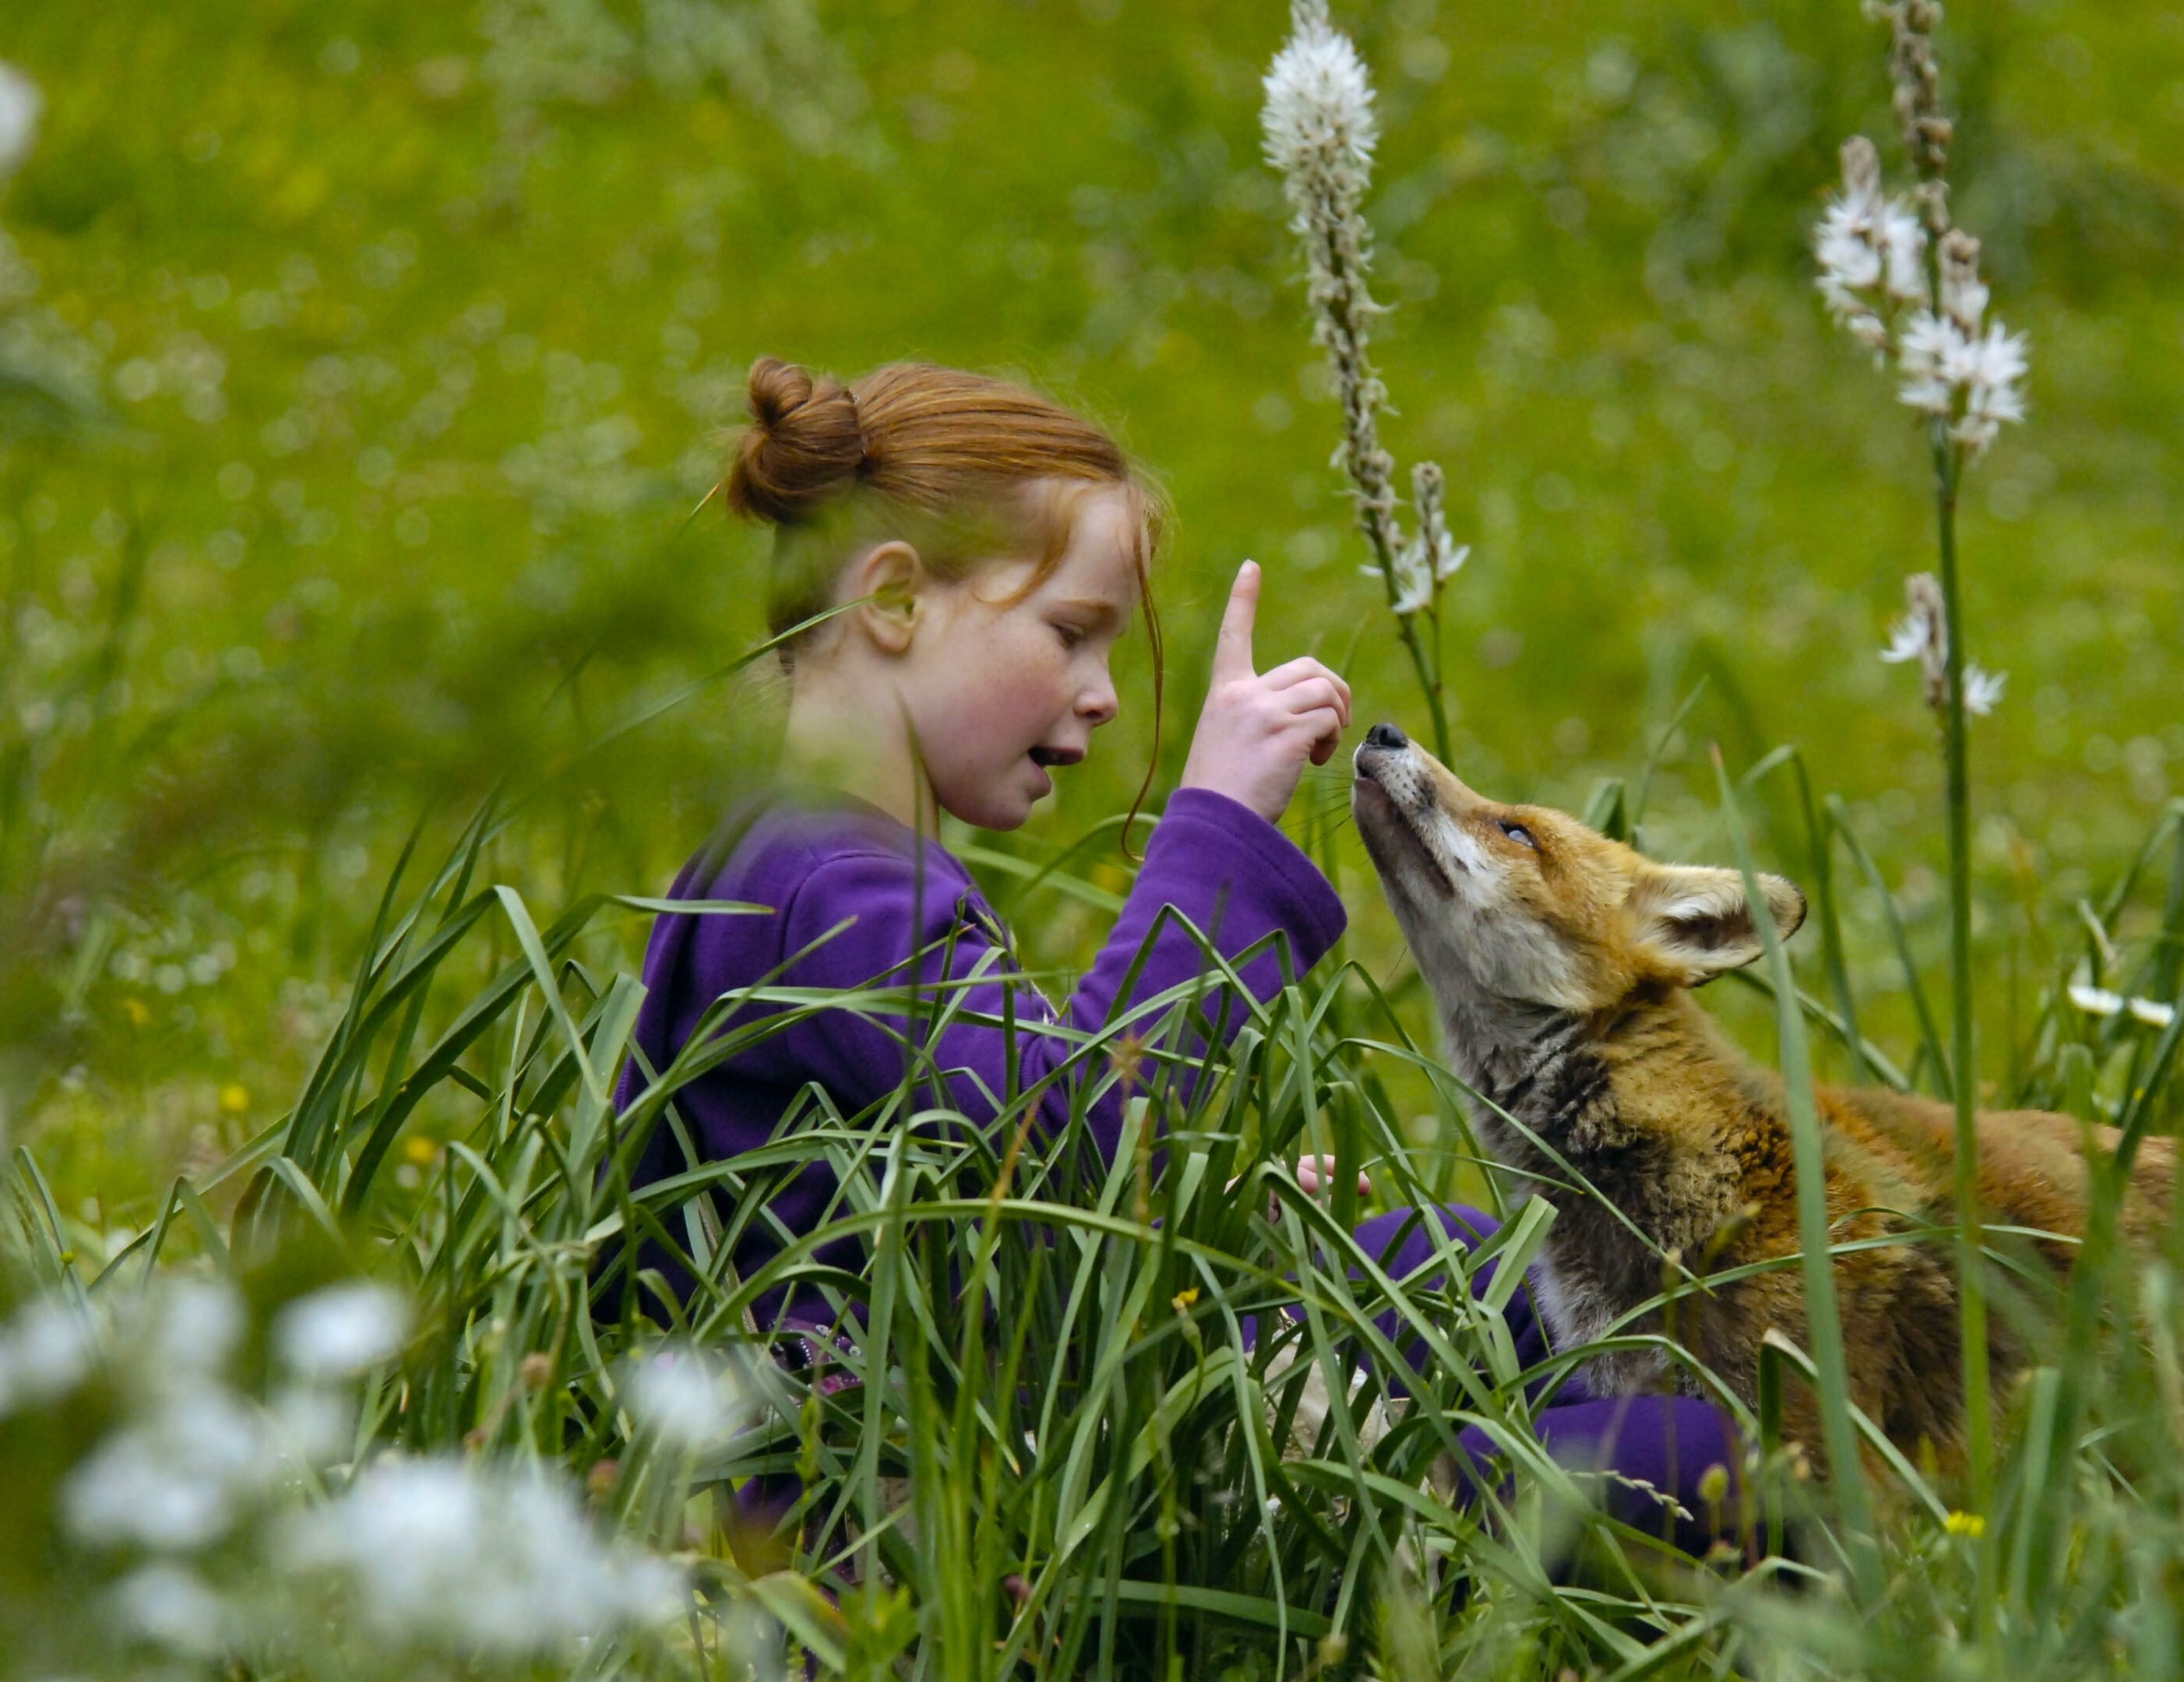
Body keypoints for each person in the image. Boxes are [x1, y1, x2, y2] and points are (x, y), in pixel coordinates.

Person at [609, 356, 1737, 1562]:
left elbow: (997, 1178)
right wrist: (1222, 831)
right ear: (892, 605)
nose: (1101, 697)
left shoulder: (810, 859)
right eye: (1071, 632)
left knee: (1483, 1271)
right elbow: (1075, 1152)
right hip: (918, 1514)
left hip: (1008, 1398)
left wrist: (1211, 1205)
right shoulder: (832, 889)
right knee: (1720, 1449)